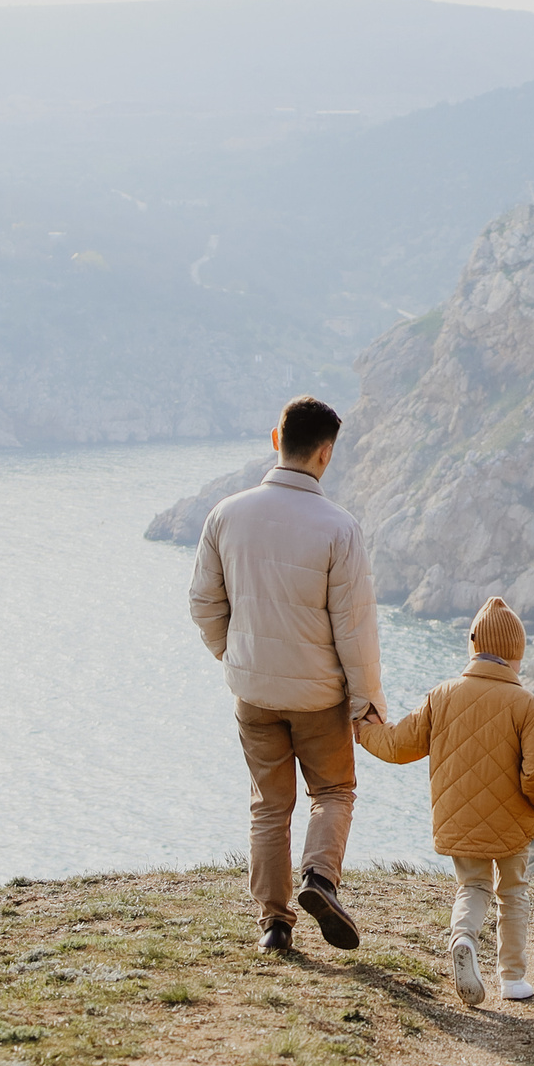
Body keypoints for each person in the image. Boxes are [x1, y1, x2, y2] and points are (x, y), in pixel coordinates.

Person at [190, 395, 383, 954]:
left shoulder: (225, 514)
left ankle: (274, 925)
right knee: (334, 790)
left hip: (253, 692)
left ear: (276, 439)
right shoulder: (339, 528)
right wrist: (365, 700)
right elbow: (355, 629)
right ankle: (319, 880)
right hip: (318, 695)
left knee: (269, 805)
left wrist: (235, 655)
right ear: (326, 455)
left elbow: (204, 603)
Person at [355, 596, 534, 1005]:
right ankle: (513, 979)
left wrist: (364, 731)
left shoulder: (442, 695)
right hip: (512, 823)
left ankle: (463, 936)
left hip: (459, 818)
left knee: (473, 885)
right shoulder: (527, 705)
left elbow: (399, 744)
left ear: (473, 646)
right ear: (516, 654)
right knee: (513, 891)